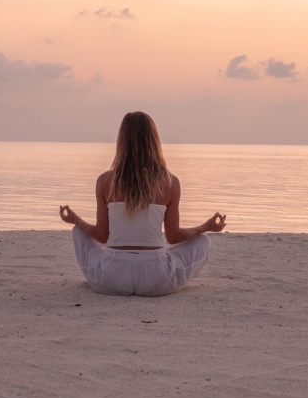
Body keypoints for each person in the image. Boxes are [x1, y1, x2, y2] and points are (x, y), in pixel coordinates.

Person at [59, 111, 227, 296]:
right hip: (156, 279)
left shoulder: (105, 181)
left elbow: (101, 235)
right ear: (154, 141)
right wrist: (206, 226)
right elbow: (174, 237)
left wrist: (77, 220)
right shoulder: (170, 182)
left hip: (113, 278)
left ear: (121, 141)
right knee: (202, 241)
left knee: (78, 232)